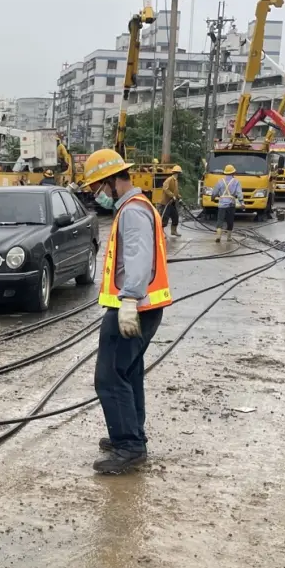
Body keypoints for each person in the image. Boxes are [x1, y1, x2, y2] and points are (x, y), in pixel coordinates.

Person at [80, 148, 172, 475]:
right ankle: (133, 434)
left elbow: (137, 256)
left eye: (96, 188)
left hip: (135, 307)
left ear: (111, 182)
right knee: (129, 373)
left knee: (109, 376)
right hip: (143, 307)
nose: (96, 195)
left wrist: (130, 300)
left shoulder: (133, 211)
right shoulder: (136, 207)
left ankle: (128, 446)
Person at [211, 164, 244, 242]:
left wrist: (212, 198)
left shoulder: (220, 181)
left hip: (221, 205)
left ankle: (218, 236)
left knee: (220, 220)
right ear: (233, 173)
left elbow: (214, 192)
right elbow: (239, 193)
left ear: (225, 173)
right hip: (231, 205)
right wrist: (242, 202)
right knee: (230, 221)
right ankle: (228, 237)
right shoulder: (236, 182)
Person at [158, 164, 181, 237]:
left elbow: (175, 191)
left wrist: (178, 196)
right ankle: (161, 233)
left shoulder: (176, 181)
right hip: (166, 203)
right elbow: (165, 188)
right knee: (165, 218)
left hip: (172, 203)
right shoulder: (169, 179)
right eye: (178, 173)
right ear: (176, 173)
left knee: (175, 217)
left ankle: (173, 231)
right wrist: (172, 195)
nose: (178, 174)